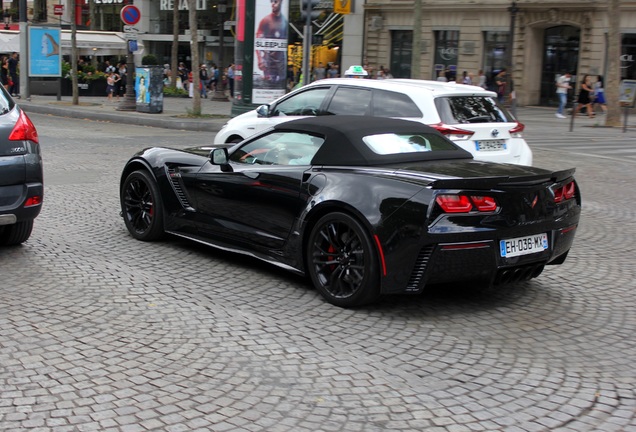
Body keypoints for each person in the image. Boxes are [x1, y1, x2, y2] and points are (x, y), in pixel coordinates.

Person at [256, 0, 288, 85]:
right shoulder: (266, 20)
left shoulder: (284, 21)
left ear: (281, 2)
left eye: (275, 1)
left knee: (279, 83)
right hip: (269, 62)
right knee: (269, 84)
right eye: (271, 2)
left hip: (281, 63)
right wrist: (260, 60)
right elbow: (258, 41)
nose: (273, 4)